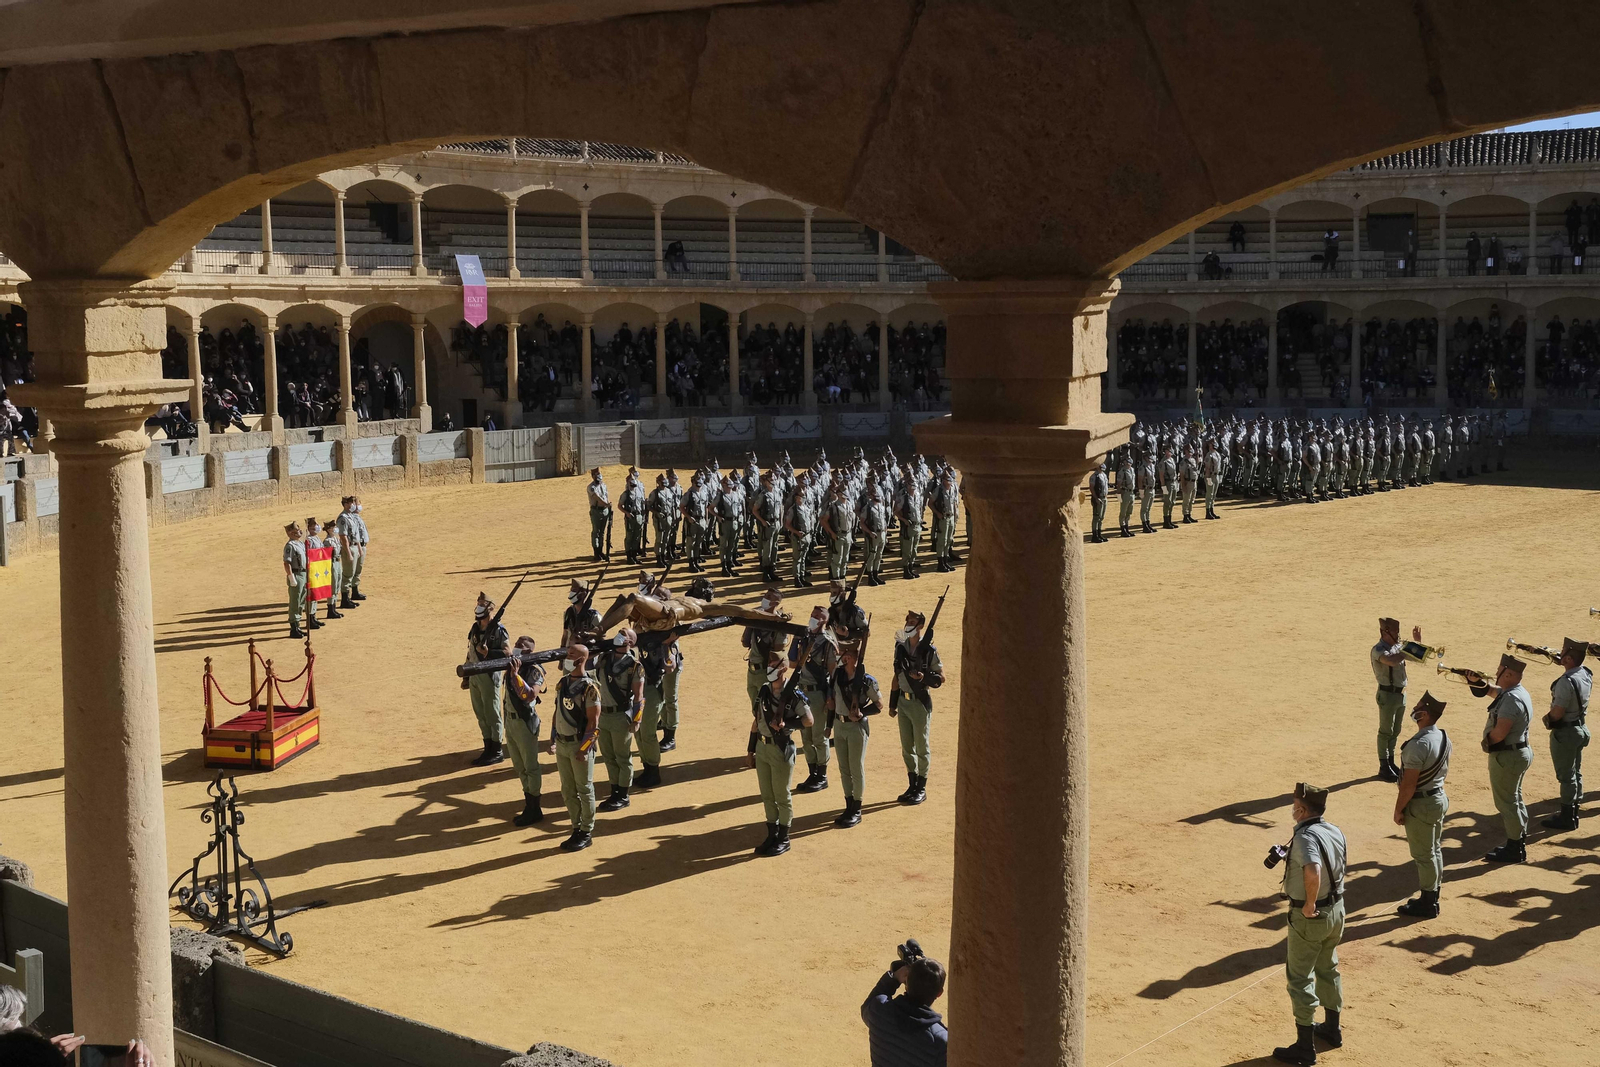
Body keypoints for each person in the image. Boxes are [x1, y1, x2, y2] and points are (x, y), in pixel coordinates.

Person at [1270, 782, 1347, 1066]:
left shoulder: (1304, 839)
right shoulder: (1334, 830)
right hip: (1337, 911)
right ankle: (1331, 1029)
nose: (1292, 809)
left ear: (1301, 809)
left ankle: (1304, 1046)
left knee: (1300, 977)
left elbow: (1312, 869)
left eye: (1294, 805)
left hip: (1312, 916)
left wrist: (1310, 903)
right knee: (1329, 967)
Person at [1466, 653, 1534, 863]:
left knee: (1506, 802)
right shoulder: (1518, 692)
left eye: (1500, 670)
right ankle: (1519, 839)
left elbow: (1500, 733)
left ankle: (1515, 848)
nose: (1495, 673)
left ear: (1509, 673)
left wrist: (1487, 743)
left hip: (1507, 756)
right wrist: (1477, 683)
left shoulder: (1512, 700)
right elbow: (1496, 692)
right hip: (1519, 752)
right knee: (1515, 797)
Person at [1394, 691, 1451, 919]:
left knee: (1424, 855)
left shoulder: (1418, 745)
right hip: (1438, 798)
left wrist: (1398, 809)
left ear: (1424, 714)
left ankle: (1428, 902)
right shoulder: (1443, 736)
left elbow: (1408, 786)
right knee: (1434, 850)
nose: (1414, 709)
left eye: (1417, 707)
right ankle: (1433, 895)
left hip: (1422, 804)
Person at [748, 653, 811, 856]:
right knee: (767, 795)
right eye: (769, 664)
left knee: (782, 796)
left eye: (774, 665)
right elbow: (756, 721)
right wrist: (750, 749)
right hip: (762, 748)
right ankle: (772, 833)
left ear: (784, 668)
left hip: (779, 748)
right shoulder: (764, 691)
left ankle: (784, 838)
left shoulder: (793, 694)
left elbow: (809, 720)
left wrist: (787, 725)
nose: (770, 668)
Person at [548, 643, 601, 851]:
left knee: (585, 789)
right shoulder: (562, 683)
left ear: (582, 660)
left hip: (578, 745)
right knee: (567, 790)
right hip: (562, 743)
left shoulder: (590, 688)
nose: (567, 658)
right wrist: (552, 738)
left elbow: (593, 724)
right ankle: (575, 826)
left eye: (571, 655)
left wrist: (584, 749)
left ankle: (586, 830)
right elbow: (557, 712)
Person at [861, 945, 948, 1067]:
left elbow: (866, 1008)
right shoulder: (942, 1040)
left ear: (906, 983)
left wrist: (893, 979)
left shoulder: (879, 1010)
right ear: (939, 993)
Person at [890, 609, 944, 805]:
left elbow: (941, 678)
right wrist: (892, 703)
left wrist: (924, 678)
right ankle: (912, 784)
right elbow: (896, 676)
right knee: (907, 747)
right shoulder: (901, 648)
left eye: (912, 621)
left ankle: (921, 787)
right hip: (903, 703)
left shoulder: (929, 651)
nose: (907, 623)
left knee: (921, 746)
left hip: (919, 702)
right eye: (907, 620)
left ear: (920, 626)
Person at [827, 643, 881, 828]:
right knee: (844, 768)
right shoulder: (838, 676)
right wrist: (829, 725)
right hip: (839, 725)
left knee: (856, 768)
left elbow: (879, 704)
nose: (840, 657)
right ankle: (848, 805)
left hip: (856, 728)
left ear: (849, 657)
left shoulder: (866, 680)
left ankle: (856, 808)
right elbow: (833, 702)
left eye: (842, 654)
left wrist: (862, 713)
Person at [1539, 638, 1591, 832]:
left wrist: (1548, 719)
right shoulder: (1586, 673)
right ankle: (1574, 810)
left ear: (1569, 658)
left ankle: (1567, 817)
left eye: (1563, 653)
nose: (1559, 653)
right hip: (1581, 727)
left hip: (1566, 732)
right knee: (1576, 771)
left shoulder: (1565, 682)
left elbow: (1558, 712)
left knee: (1566, 776)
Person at [790, 603, 839, 794]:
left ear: (825, 622)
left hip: (818, 693)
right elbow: (793, 662)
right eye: (812, 614)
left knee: (819, 737)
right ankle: (813, 773)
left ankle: (822, 775)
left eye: (819, 616)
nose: (814, 618)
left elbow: (833, 674)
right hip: (802, 692)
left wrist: (830, 697)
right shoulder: (804, 637)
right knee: (806, 736)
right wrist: (796, 640)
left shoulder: (827, 643)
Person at [594, 628, 644, 811]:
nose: (620, 634)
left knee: (622, 757)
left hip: (620, 716)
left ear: (630, 643)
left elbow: (639, 696)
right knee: (608, 756)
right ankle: (614, 791)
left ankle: (623, 795)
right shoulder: (604, 658)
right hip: (603, 715)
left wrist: (637, 720)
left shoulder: (634, 666)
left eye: (625, 634)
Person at [1370, 618, 1421, 782]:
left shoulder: (1399, 647)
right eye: (1395, 632)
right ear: (1385, 631)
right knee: (1385, 731)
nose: (1398, 635)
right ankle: (1383, 766)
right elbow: (1391, 661)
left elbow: (1420, 658)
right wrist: (1408, 650)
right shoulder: (1378, 650)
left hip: (1400, 694)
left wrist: (1417, 643)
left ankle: (1390, 762)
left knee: (1395, 730)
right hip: (1387, 695)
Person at [504, 636, 547, 826]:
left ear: (529, 652)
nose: (516, 649)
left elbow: (529, 695)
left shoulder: (535, 670)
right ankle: (528, 802)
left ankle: (534, 807)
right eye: (516, 645)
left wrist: (515, 676)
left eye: (521, 647)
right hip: (511, 723)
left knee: (531, 767)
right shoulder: (511, 665)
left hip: (524, 723)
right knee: (519, 766)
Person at [464, 598, 509, 766]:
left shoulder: (499, 630)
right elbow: (470, 650)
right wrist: (467, 674)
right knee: (480, 713)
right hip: (475, 673)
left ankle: (497, 750)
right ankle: (487, 747)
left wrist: (489, 652)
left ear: (489, 611)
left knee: (492, 713)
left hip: (489, 675)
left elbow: (507, 653)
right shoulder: (475, 627)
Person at [635, 631, 682, 786]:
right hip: (641, 689)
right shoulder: (642, 637)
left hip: (654, 689)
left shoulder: (665, 640)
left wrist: (666, 644)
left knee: (647, 733)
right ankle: (647, 767)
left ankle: (653, 770)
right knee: (639, 733)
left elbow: (670, 666)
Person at [281, 521, 311, 639]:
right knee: (295, 601)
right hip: (296, 574)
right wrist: (291, 577)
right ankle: (293, 627)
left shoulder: (300, 544)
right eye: (297, 530)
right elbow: (286, 563)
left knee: (301, 601)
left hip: (303, 573)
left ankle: (297, 625)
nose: (300, 532)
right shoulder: (290, 546)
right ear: (290, 533)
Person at [561, 578, 601, 647]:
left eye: (574, 591)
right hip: (570, 651)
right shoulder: (569, 612)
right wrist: (561, 650)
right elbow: (565, 634)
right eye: (571, 590)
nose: (571, 593)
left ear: (583, 594)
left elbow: (600, 636)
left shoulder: (594, 615)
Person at [619, 468, 647, 564]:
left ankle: (634, 555)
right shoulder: (625, 494)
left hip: (639, 516)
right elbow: (619, 505)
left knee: (637, 536)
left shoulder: (638, 492)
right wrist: (626, 513)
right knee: (629, 536)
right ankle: (629, 556)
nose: (633, 486)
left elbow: (642, 503)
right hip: (630, 517)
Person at [586, 467, 612, 560]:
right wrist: (606, 504)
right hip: (596, 511)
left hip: (604, 510)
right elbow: (597, 498)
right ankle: (596, 552)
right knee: (596, 532)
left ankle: (601, 551)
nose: (599, 476)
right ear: (593, 476)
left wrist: (608, 507)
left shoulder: (603, 485)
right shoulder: (591, 487)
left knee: (602, 532)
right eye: (596, 474)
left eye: (599, 474)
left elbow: (606, 496)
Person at [1087, 461, 1108, 542]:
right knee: (1096, 517)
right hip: (1098, 498)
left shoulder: (1103, 475)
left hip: (1104, 498)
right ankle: (1094, 535)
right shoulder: (1094, 476)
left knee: (1101, 517)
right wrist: (1096, 498)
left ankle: (1099, 533)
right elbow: (1092, 488)